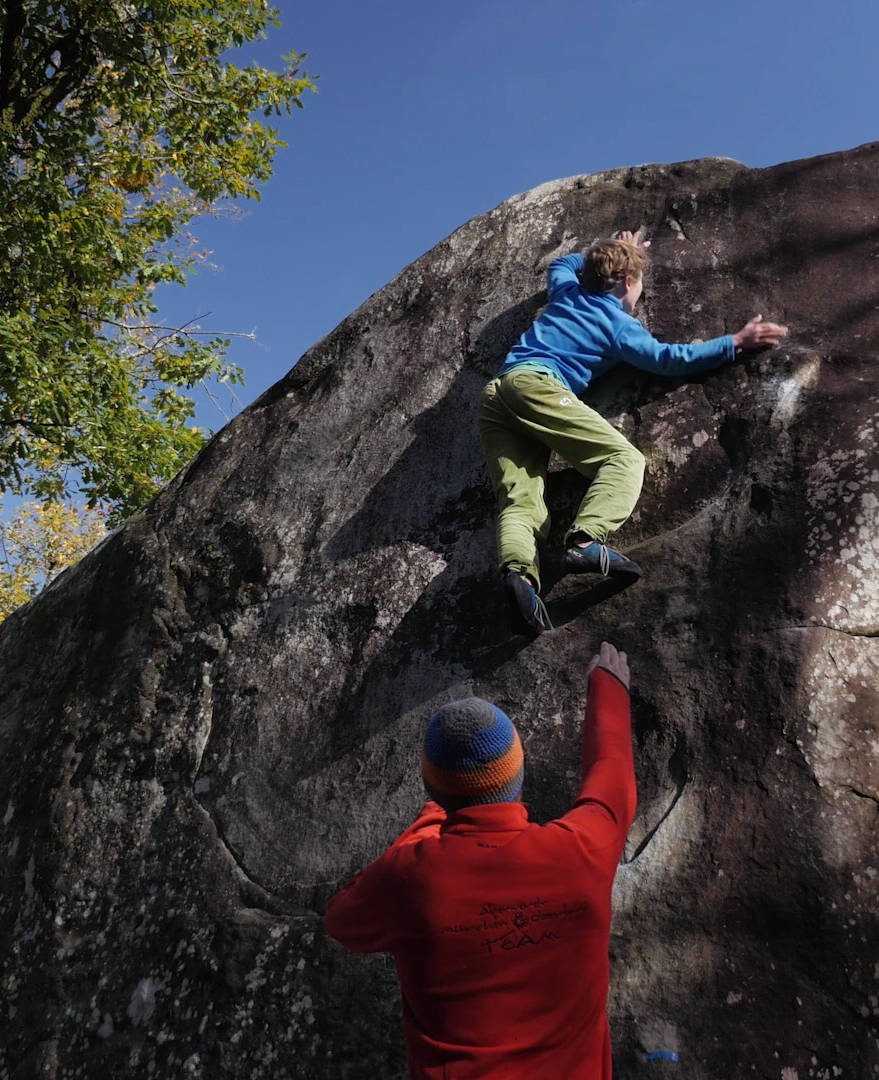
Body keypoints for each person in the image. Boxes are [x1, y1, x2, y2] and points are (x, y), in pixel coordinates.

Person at [325, 642, 636, 1078]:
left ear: (432, 787)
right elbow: (613, 783)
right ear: (519, 772)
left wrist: (429, 823)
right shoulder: (580, 852)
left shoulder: (409, 879)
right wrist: (610, 688)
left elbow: (340, 920)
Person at [479, 229, 789, 632]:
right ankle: (586, 542)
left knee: (520, 499)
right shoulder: (616, 324)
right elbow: (668, 358)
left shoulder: (567, 292)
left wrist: (612, 249)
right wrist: (734, 342)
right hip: (537, 385)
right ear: (628, 283)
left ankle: (519, 576)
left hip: (497, 394)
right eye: (638, 283)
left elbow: (562, 264)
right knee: (622, 459)